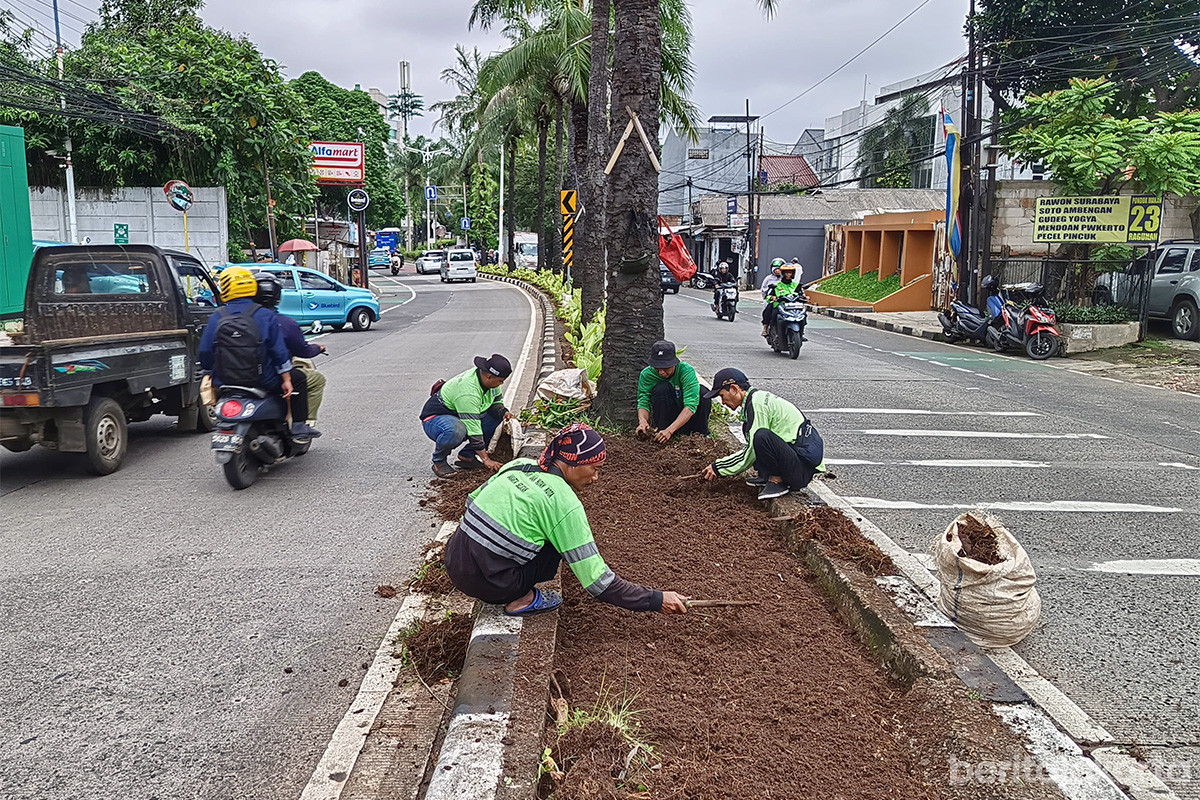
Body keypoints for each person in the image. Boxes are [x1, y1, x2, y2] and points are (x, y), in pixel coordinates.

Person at [444, 422, 690, 616]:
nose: (596, 477)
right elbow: (599, 583)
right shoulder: (565, 503)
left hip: (454, 561)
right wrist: (656, 599)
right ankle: (522, 599)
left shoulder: (519, 465)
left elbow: (472, 503)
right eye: (595, 468)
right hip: (490, 586)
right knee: (557, 543)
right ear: (572, 463)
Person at [700, 368, 825, 501]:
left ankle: (777, 481)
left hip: (801, 470)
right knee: (751, 430)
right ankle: (767, 475)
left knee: (761, 436)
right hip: (797, 462)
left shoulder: (757, 405)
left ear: (734, 389)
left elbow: (751, 451)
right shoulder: (756, 399)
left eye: (722, 396)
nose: (723, 402)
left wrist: (718, 467)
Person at [199, 266, 293, 409]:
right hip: (263, 380)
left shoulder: (217, 316)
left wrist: (209, 373)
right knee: (288, 392)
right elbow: (279, 352)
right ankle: (291, 426)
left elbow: (205, 351)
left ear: (224, 288)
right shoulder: (265, 315)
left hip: (224, 381)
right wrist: (287, 380)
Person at [421, 354, 514, 478]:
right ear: (489, 376)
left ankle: (467, 456)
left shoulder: (490, 382)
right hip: (436, 419)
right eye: (500, 381)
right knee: (456, 430)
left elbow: (495, 403)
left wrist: (504, 412)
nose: (501, 384)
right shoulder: (469, 392)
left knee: (498, 420)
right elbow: (474, 430)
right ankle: (439, 461)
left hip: (460, 415)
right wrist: (486, 459)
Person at [254, 274, 324, 438]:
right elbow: (296, 352)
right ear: (278, 296)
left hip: (234, 375)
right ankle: (301, 424)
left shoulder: (232, 318)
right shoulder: (282, 323)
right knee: (310, 379)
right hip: (269, 374)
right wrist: (318, 348)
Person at [634, 340, 711, 442]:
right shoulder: (647, 374)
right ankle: (662, 434)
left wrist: (670, 430)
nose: (661, 372)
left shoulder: (686, 371)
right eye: (657, 368)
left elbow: (691, 405)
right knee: (661, 388)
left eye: (666, 368)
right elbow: (643, 400)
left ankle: (700, 436)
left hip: (688, 418)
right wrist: (643, 422)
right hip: (668, 418)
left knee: (703, 392)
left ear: (674, 363)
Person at [761, 261, 805, 338]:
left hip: (793, 306)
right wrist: (772, 297)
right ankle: (772, 330)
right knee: (771, 312)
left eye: (790, 273)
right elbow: (768, 296)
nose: (788, 274)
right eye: (786, 273)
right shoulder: (776, 285)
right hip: (780, 305)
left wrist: (805, 297)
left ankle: (801, 333)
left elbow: (801, 294)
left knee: (804, 315)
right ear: (783, 273)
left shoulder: (796, 285)